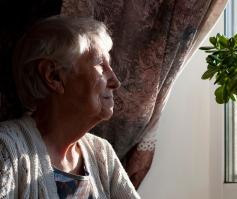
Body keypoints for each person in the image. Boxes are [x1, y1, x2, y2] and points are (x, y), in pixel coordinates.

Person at [0, 16, 140, 199]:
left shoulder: (101, 153)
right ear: (54, 76)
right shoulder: (7, 149)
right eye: (100, 64)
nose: (115, 81)